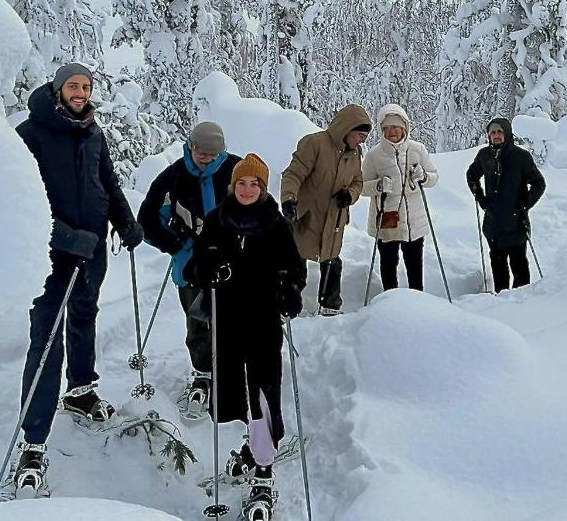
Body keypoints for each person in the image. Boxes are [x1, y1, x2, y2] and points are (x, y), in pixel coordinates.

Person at [12, 63, 144, 493]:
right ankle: (33, 441)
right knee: (47, 336)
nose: (81, 93)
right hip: (51, 257)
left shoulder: (92, 132)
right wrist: (68, 238)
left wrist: (125, 221)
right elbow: (20, 205)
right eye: (73, 86)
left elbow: (107, 182)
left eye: (86, 87)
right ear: (57, 90)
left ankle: (81, 390)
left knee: (84, 316)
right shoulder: (31, 134)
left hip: (92, 254)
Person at [184, 154, 306, 519]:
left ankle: (264, 469)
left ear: (264, 188)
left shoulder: (275, 224)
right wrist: (208, 268)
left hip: (264, 320)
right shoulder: (218, 221)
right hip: (229, 321)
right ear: (232, 186)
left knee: (263, 390)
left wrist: (290, 289)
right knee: (235, 394)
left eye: (255, 184)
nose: (248, 190)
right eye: (242, 183)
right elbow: (196, 267)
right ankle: (252, 450)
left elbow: (295, 267)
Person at [137, 121, 240, 420]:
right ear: (191, 146)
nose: (207, 158)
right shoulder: (173, 177)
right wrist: (175, 244)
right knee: (197, 322)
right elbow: (147, 219)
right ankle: (203, 375)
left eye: (213, 153)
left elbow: (258, 206)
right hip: (190, 263)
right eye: (201, 152)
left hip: (229, 261)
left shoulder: (236, 169)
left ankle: (231, 373)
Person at [280, 105, 372, 315]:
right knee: (296, 264)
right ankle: (287, 306)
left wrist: (350, 195)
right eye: (359, 135)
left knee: (332, 261)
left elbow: (358, 181)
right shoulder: (315, 144)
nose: (362, 140)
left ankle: (330, 305)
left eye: (365, 136)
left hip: (334, 218)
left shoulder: (355, 153)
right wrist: (288, 199)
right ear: (346, 129)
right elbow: (293, 174)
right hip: (306, 215)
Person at [361, 104, 439, 293]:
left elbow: (434, 177)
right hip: (387, 220)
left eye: (395, 127)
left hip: (414, 220)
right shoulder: (373, 155)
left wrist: (423, 177)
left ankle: (418, 300)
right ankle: (390, 300)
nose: (392, 132)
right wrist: (378, 186)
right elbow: (362, 187)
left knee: (414, 265)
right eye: (386, 128)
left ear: (405, 127)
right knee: (388, 264)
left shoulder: (417, 150)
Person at [465, 117, 545, 293]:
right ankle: (501, 302)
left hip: (516, 222)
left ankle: (523, 302)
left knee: (519, 266)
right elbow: (471, 175)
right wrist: (481, 198)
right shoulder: (484, 156)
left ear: (507, 133)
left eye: (500, 132)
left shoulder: (521, 156)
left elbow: (539, 183)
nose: (496, 135)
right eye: (493, 132)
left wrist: (524, 205)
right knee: (498, 266)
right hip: (493, 224)